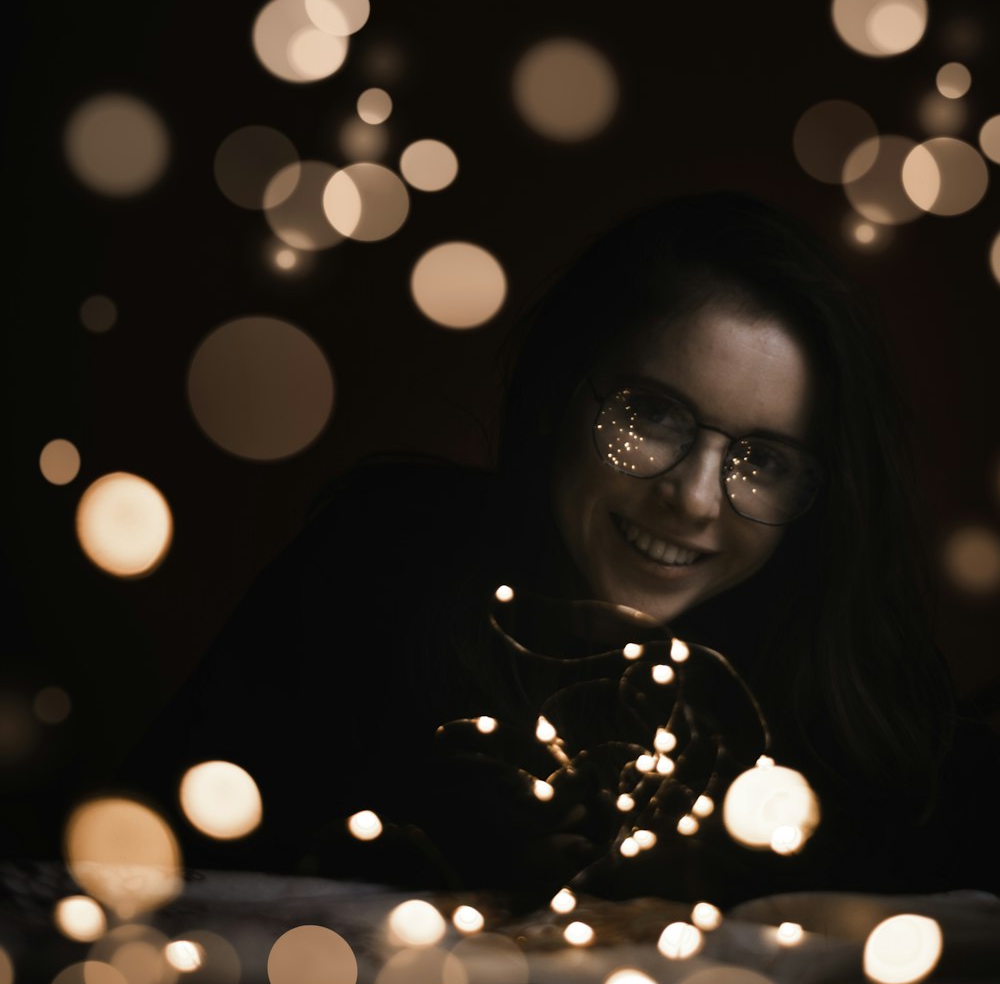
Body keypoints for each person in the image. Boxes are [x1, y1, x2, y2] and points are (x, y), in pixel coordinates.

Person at [120, 191, 1000, 905]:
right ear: (558, 393)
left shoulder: (845, 693)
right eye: (651, 414)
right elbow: (150, 851)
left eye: (762, 461)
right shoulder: (377, 569)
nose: (691, 500)